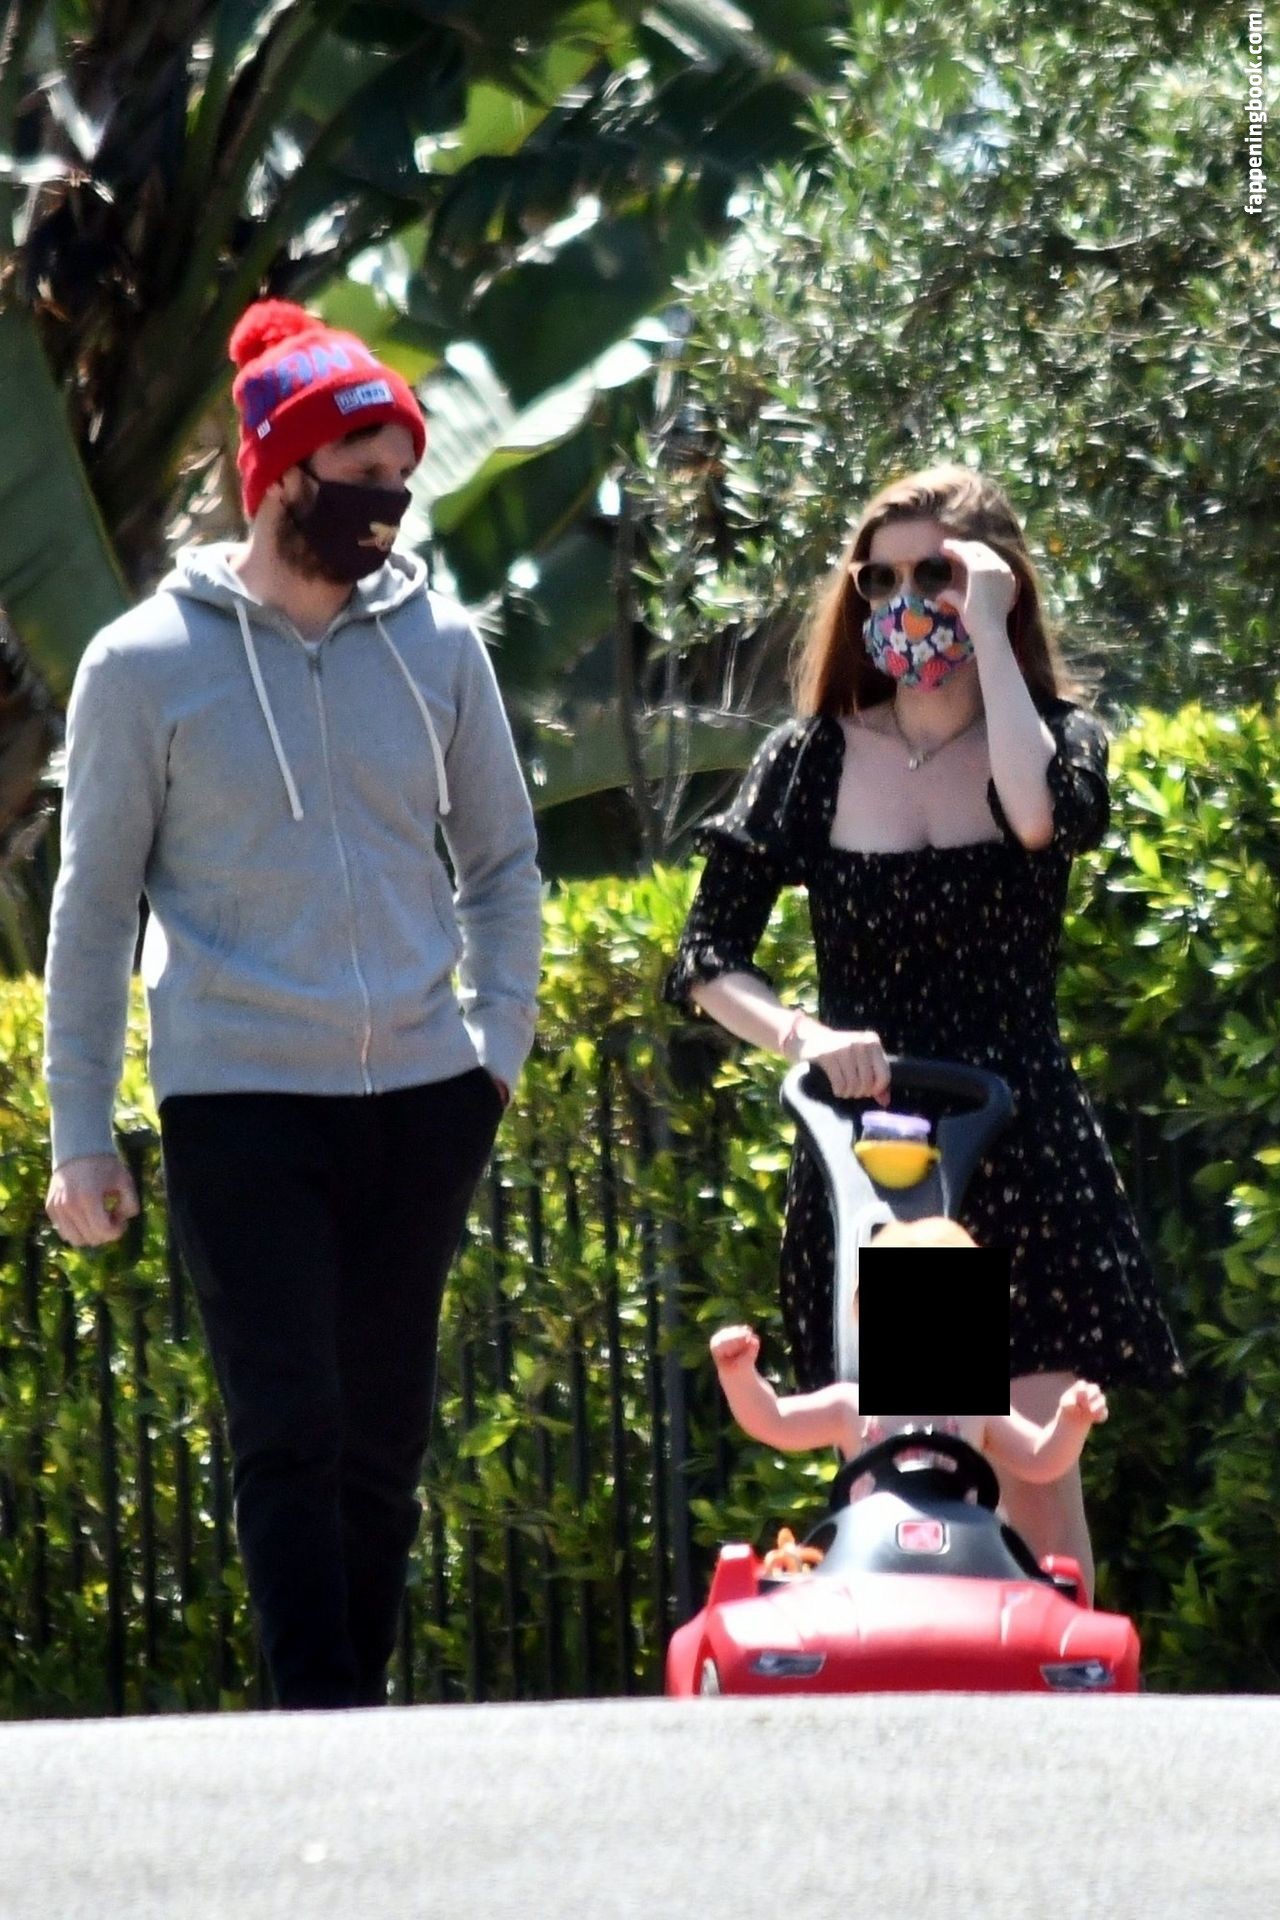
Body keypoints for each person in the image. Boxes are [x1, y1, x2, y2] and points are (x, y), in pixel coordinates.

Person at [43, 299, 543, 1710]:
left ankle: (350, 1725)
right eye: (359, 475)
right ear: (278, 472)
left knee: (383, 1439)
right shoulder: (141, 665)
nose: (387, 503)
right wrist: (81, 1130)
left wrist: (494, 1052)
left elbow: (503, 863)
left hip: (422, 1100)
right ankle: (314, 1726)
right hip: (238, 1101)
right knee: (290, 1426)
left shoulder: (438, 644)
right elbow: (94, 907)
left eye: (401, 477)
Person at [664, 463, 1183, 1605]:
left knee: (1037, 1489)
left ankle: (1065, 1690)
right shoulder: (811, 760)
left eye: (935, 574)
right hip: (890, 1163)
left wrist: (988, 630)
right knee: (908, 1488)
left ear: (994, 580)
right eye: (882, 578)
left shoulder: (1053, 738)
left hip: (1020, 1144)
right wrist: (804, 1036)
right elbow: (706, 957)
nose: (906, 601)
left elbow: (1038, 819)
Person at [712, 1218, 1109, 1591]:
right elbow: (773, 1420)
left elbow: (1041, 1460)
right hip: (870, 1575)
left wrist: (1070, 1421)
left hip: (966, 1576)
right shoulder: (852, 1407)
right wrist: (738, 1374)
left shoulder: (976, 1409)